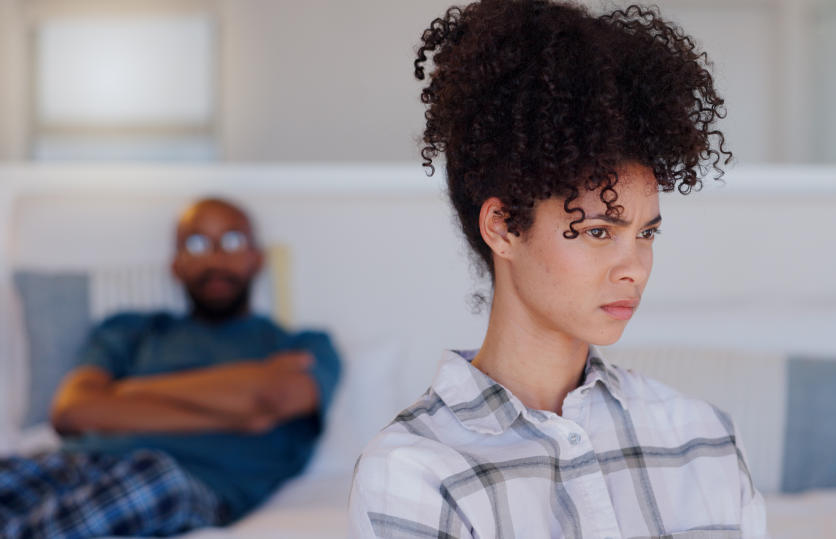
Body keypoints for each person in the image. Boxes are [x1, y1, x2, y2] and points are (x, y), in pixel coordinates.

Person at [349, 1, 766, 537]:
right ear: (502, 227)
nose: (634, 268)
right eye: (598, 232)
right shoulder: (415, 471)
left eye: (647, 233)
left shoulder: (703, 438)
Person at [0, 198, 341, 538]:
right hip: (71, 463)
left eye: (232, 241)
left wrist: (128, 391)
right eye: (196, 244)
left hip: (189, 485)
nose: (215, 257)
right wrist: (239, 410)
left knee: (152, 478)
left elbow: (269, 398)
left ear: (256, 258)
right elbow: (72, 412)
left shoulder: (302, 347)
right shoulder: (131, 329)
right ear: (176, 264)